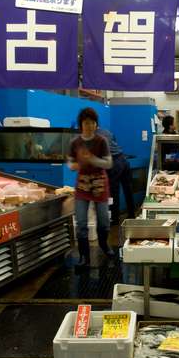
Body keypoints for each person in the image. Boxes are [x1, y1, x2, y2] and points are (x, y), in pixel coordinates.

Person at [69, 108, 114, 267]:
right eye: (86, 123)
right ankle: (84, 256)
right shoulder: (75, 142)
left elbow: (109, 163)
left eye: (93, 123)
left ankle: (103, 244)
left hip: (100, 185)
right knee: (81, 224)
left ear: (96, 125)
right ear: (81, 124)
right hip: (82, 186)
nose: (90, 126)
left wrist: (92, 159)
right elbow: (70, 163)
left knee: (103, 222)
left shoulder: (102, 141)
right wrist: (78, 163)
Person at [96, 128, 136, 225]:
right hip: (123, 159)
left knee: (114, 192)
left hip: (114, 162)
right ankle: (132, 214)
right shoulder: (107, 131)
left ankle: (114, 219)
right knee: (128, 190)